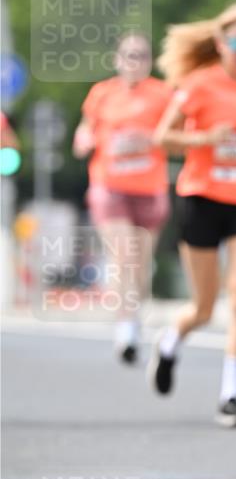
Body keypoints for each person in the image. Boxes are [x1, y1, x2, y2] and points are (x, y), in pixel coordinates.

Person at [150, 2, 236, 428]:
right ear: (222, 45)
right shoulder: (198, 84)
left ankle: (231, 395)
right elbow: (163, 137)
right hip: (202, 199)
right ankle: (170, 342)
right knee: (204, 308)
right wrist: (206, 137)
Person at [72, 32, 172, 363]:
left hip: (149, 188)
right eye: (129, 55)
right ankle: (125, 329)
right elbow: (83, 131)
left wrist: (149, 139)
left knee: (141, 266)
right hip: (109, 185)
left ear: (149, 61)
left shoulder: (162, 94)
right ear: (117, 60)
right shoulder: (102, 94)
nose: (135, 61)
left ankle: (133, 315)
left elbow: (176, 138)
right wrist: (85, 139)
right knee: (123, 256)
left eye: (141, 55)